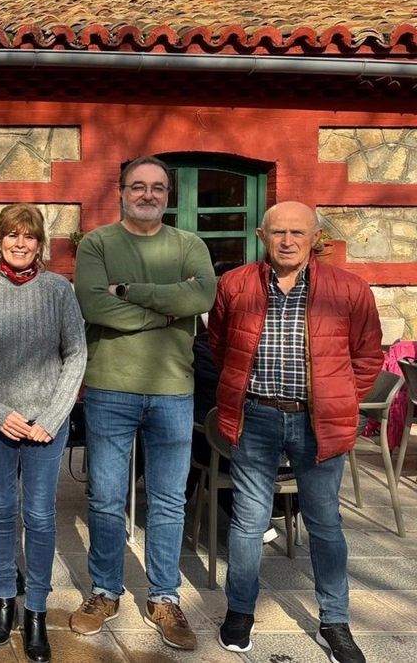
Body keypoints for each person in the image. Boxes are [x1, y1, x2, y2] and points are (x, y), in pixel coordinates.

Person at [209, 201, 382, 663]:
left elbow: (367, 357)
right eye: (278, 232)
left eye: (297, 233)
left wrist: (340, 397)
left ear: (314, 238)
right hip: (256, 417)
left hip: (317, 421)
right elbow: (220, 345)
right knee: (248, 522)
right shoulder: (235, 284)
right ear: (262, 237)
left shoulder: (348, 289)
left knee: (325, 524)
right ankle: (240, 611)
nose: (287, 241)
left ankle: (335, 620)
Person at [70, 155, 215, 651]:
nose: (148, 194)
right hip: (111, 385)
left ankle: (163, 595)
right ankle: (105, 590)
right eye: (138, 187)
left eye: (157, 187)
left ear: (168, 194)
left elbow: (201, 298)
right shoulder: (98, 243)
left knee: (169, 499)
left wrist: (131, 292)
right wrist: (165, 314)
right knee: (107, 497)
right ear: (122, 192)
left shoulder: (189, 244)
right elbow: (93, 305)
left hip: (174, 390)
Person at [0, 204, 86, 660]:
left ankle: (36, 610)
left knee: (40, 515)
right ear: (0, 241)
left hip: (46, 426)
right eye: (12, 234)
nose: (19, 243)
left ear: (39, 244)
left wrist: (50, 418)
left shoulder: (58, 291)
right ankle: (4, 600)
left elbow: (76, 355)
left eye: (29, 236)